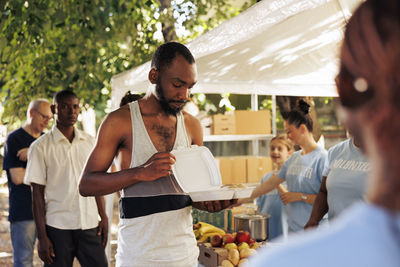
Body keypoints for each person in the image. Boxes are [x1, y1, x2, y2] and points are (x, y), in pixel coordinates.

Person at [250, 0, 400, 266]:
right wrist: (312, 223)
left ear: (343, 93)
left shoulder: (287, 261)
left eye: (288, 132)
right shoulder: (332, 153)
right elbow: (322, 192)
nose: (285, 140)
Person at [78, 42, 235, 267]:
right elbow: (86, 184)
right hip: (138, 258)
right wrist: (140, 173)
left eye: (190, 87)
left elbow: (189, 195)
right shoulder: (118, 122)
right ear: (153, 75)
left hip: (185, 257)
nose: (185, 95)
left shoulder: (192, 126)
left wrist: (213, 203)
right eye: (178, 84)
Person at [24, 90, 108, 267]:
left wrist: (104, 216)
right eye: (64, 107)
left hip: (89, 225)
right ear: (54, 109)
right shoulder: (40, 147)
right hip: (57, 228)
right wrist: (42, 237)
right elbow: (37, 196)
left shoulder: (90, 142)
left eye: (75, 107)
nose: (71, 112)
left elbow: (95, 183)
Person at [239, 100, 328, 232]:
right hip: (294, 231)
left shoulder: (323, 158)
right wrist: (240, 200)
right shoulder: (294, 158)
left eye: (289, 131)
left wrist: (299, 196)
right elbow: (269, 184)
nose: (287, 136)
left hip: (316, 232)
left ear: (302, 129)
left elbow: (328, 200)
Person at [3, 99, 52, 267]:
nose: (47, 121)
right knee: (24, 261)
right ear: (31, 113)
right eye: (44, 117)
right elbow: (17, 177)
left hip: (49, 211)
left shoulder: (47, 140)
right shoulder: (14, 139)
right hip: (24, 211)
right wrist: (45, 177)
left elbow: (56, 173)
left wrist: (32, 152)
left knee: (53, 258)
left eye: (50, 118)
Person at [305, 135, 369, 228]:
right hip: (337, 233)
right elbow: (324, 191)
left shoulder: (389, 154)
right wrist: (313, 220)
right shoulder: (335, 151)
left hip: (370, 235)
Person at [256, 135, 293, 240]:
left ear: (289, 153)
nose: (275, 152)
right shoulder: (265, 178)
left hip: (285, 233)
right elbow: (260, 206)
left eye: (280, 149)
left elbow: (292, 202)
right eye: (272, 148)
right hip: (267, 233)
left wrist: (277, 183)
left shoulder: (293, 177)